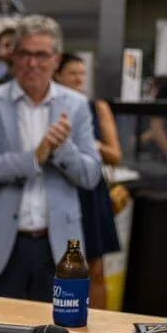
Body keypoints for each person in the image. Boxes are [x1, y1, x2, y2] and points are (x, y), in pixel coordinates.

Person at [0, 15, 102, 301]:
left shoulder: (76, 106)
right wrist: (33, 159)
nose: (32, 63)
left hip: (58, 248)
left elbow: (91, 175)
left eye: (41, 55)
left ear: (56, 59)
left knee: (60, 328)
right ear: (13, 56)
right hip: (1, 247)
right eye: (25, 53)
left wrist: (62, 150)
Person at [55, 51, 121, 309]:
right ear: (57, 75)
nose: (78, 79)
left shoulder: (97, 107)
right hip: (61, 188)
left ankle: (99, 323)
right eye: (72, 73)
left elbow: (115, 155)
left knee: (94, 266)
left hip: (91, 192)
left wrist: (89, 143)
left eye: (82, 74)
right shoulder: (51, 108)